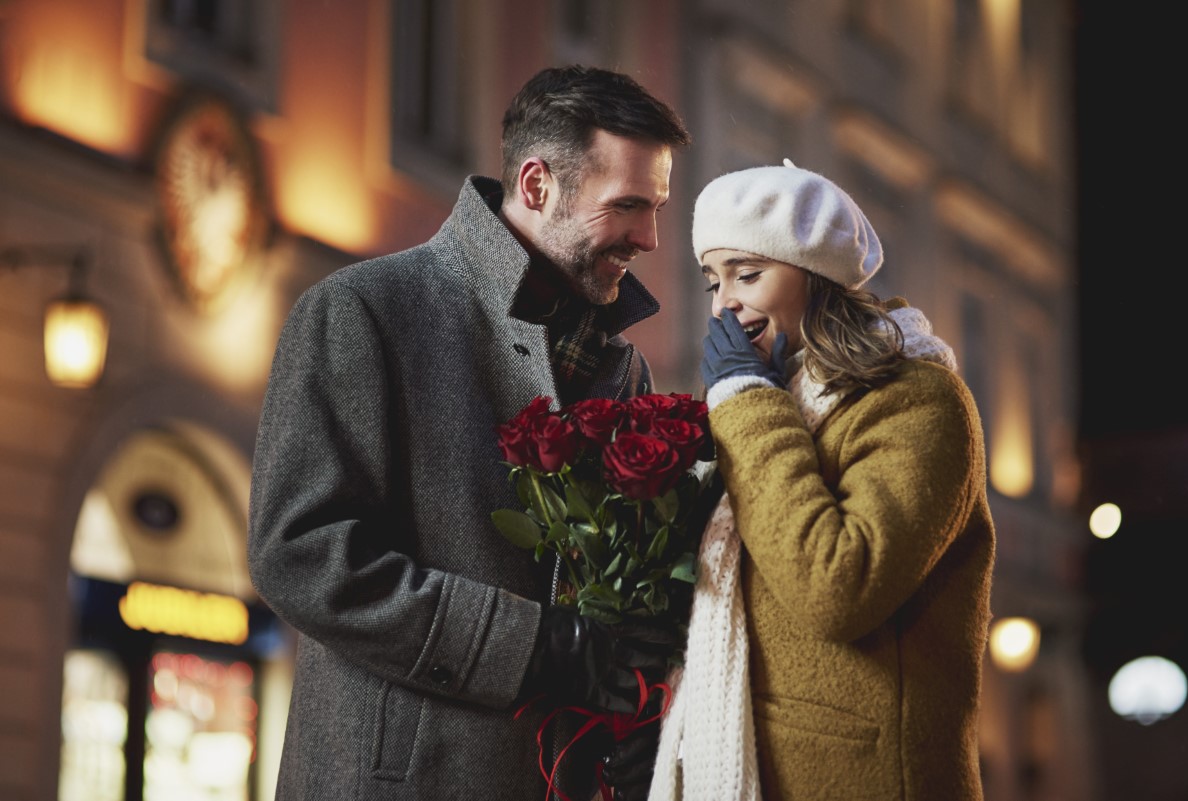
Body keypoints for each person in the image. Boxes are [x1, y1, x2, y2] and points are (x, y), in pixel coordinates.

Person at [247, 65, 691, 801]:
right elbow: (298, 553)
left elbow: (623, 596)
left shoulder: (622, 367)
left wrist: (639, 694)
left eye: (658, 208)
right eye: (630, 205)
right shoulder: (363, 310)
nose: (649, 236)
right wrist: (531, 645)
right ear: (538, 185)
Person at [649, 161, 995, 801]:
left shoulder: (918, 400)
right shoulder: (775, 401)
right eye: (712, 282)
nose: (725, 302)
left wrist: (746, 398)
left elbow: (838, 587)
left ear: (818, 278)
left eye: (748, 274)